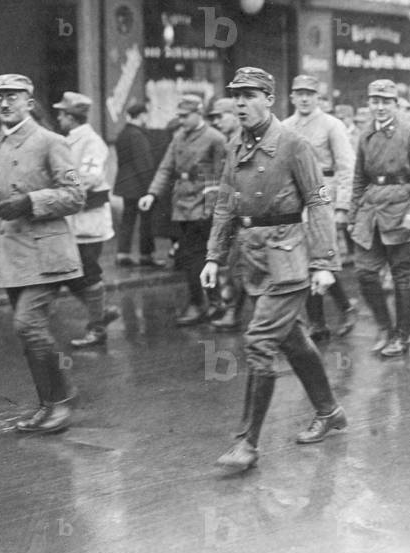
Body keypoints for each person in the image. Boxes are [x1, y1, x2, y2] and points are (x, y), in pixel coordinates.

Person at [201, 66, 345, 471]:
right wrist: (214, 256)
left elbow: (317, 202)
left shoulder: (294, 145)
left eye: (249, 96)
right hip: (255, 259)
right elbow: (226, 205)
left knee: (260, 341)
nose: (241, 103)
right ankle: (329, 411)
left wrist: (323, 262)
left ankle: (247, 443)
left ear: (269, 98)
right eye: (236, 96)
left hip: (288, 257)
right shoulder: (236, 146)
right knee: (292, 340)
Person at [0, 74, 85, 433]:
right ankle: (51, 402)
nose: (4, 103)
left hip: (48, 255)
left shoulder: (50, 142)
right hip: (11, 258)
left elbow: (76, 195)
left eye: (13, 96)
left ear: (29, 102)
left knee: (28, 324)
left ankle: (59, 401)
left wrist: (31, 201)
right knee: (29, 333)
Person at [349, 79, 410, 357]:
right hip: (371, 211)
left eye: (386, 102)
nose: (380, 107)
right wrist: (353, 216)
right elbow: (359, 178)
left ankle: (403, 335)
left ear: (396, 105)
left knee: (402, 276)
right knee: (365, 273)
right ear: (369, 104)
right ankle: (384, 326)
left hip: (402, 209)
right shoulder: (365, 135)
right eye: (375, 101)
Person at [139, 94, 227, 325]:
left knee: (196, 255)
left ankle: (200, 304)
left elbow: (220, 176)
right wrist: (152, 194)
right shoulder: (178, 137)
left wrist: (211, 209)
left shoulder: (214, 138)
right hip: (182, 205)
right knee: (193, 256)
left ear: (198, 113)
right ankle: (214, 301)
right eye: (179, 116)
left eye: (185, 116)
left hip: (203, 204)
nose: (181, 120)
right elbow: (166, 168)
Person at [282, 75, 358, 341]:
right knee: (303, 259)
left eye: (309, 94)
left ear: (318, 97)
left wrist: (342, 206)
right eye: (299, 93)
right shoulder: (284, 126)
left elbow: (347, 167)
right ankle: (322, 319)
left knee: (321, 257)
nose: (304, 98)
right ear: (291, 97)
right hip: (294, 197)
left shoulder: (332, 125)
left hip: (323, 192)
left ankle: (336, 312)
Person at [51, 92, 120, 348]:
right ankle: (100, 313)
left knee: (87, 273)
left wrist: (62, 184)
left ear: (71, 117)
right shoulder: (68, 139)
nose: (59, 118)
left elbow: (88, 179)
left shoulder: (92, 142)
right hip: (74, 220)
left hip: (88, 222)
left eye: (61, 114)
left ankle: (97, 328)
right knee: (71, 275)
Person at [206, 96, 248, 332]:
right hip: (233, 212)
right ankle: (232, 309)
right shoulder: (229, 141)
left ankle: (234, 311)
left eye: (220, 116)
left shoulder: (243, 140)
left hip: (249, 214)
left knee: (240, 267)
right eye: (213, 118)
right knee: (236, 266)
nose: (217, 122)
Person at [113, 102, 162, 267]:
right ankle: (146, 255)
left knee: (127, 220)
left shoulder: (123, 133)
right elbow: (144, 163)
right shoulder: (137, 135)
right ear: (141, 115)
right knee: (146, 221)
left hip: (126, 184)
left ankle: (122, 253)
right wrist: (151, 188)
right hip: (140, 185)